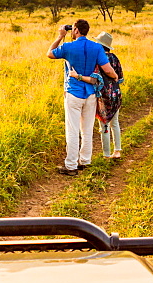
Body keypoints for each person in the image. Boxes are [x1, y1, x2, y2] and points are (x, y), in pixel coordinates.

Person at [47, 19, 119, 176]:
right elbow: (107, 69)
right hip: (91, 93)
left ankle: (71, 165)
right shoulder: (96, 47)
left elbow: (50, 54)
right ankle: (85, 161)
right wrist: (114, 77)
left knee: (72, 130)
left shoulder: (68, 47)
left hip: (73, 93)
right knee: (87, 130)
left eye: (72, 29)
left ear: (76, 30)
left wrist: (60, 36)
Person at [93, 32, 124, 159]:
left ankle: (106, 154)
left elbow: (94, 78)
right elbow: (120, 77)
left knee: (104, 124)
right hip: (116, 94)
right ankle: (117, 150)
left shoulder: (98, 59)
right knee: (115, 123)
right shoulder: (114, 57)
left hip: (103, 96)